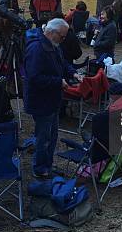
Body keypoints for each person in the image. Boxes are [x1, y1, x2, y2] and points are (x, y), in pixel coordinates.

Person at [24, 18, 82, 178]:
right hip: (41, 101)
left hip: (53, 99)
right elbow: (34, 78)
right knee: (43, 137)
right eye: (62, 37)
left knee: (52, 135)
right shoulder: (37, 48)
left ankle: (47, 165)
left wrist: (73, 73)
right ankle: (39, 169)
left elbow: (62, 63)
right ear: (52, 32)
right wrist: (58, 82)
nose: (63, 40)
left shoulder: (53, 45)